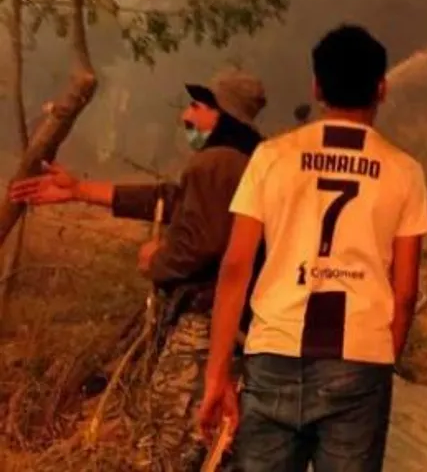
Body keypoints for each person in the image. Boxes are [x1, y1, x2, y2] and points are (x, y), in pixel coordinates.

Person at [197, 25, 427, 472]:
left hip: (273, 352)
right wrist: (381, 362)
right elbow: (404, 293)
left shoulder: (271, 157)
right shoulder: (405, 171)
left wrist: (217, 374)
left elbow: (235, 267)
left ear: (317, 87)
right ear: (381, 89)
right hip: (359, 360)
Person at [9, 68, 266, 471]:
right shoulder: (249, 162)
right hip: (238, 326)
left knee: (173, 434)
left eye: (197, 106)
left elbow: (199, 245)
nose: (186, 115)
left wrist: (157, 259)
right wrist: (80, 190)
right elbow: (172, 200)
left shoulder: (215, 163)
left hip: (204, 323)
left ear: (223, 113)